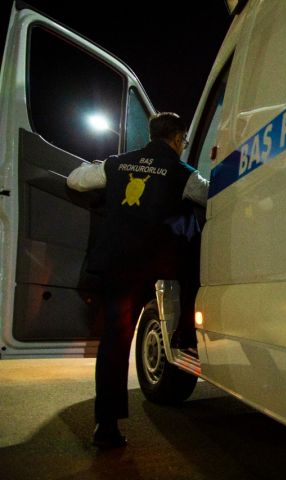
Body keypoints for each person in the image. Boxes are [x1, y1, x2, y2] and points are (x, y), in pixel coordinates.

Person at [66, 112, 208, 448]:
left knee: (115, 341)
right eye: (184, 141)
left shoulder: (116, 164)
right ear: (178, 138)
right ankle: (185, 332)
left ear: (151, 134)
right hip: (157, 263)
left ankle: (106, 427)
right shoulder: (183, 172)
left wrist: (101, 168)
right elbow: (212, 196)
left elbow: (75, 180)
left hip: (117, 264)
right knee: (194, 259)